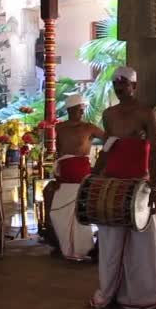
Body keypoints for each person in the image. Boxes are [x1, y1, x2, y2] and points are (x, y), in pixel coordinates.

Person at [89, 66, 156, 309]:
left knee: (142, 244)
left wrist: (154, 187)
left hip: (138, 186)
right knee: (110, 243)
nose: (120, 89)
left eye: (124, 85)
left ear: (134, 86)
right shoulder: (108, 114)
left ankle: (148, 296)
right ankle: (109, 293)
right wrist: (93, 177)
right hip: (112, 184)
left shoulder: (146, 113)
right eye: (116, 86)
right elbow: (107, 149)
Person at [42, 94, 104, 261]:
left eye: (82, 109)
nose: (81, 113)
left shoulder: (89, 127)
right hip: (64, 173)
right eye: (78, 109)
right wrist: (56, 175)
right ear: (69, 110)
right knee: (57, 213)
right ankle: (65, 247)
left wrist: (101, 163)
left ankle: (86, 249)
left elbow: (110, 140)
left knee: (80, 213)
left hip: (81, 174)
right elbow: (59, 152)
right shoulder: (60, 128)